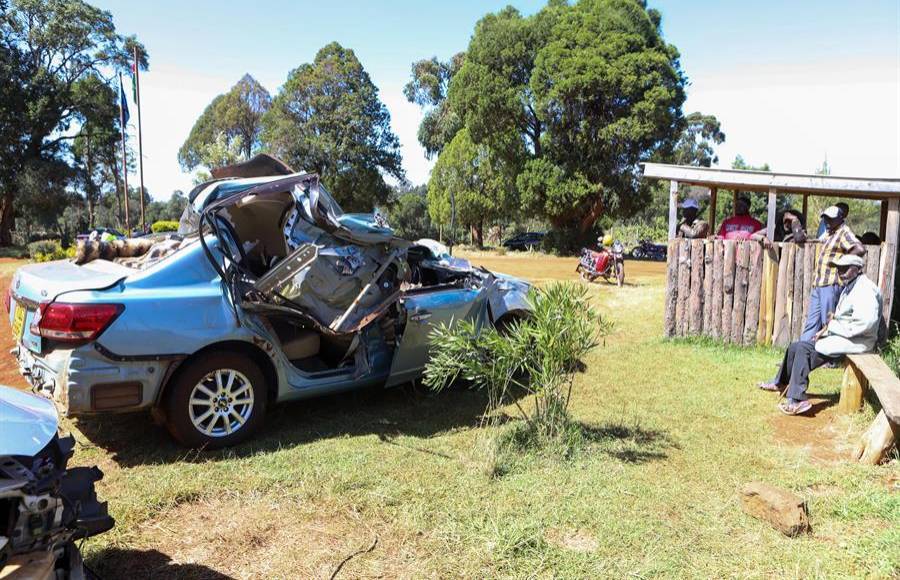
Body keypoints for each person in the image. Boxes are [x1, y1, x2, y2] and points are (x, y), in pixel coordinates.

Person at [757, 254, 881, 415]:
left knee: (804, 349)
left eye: (845, 268)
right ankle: (781, 383)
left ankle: (797, 401)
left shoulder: (865, 289)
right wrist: (827, 330)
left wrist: (832, 330)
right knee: (795, 347)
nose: (840, 272)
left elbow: (866, 324)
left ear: (857, 269)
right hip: (845, 338)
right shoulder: (851, 286)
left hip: (857, 342)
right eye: (838, 268)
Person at [801, 205, 865, 341]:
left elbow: (860, 248)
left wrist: (843, 261)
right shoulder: (831, 233)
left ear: (840, 219)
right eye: (825, 218)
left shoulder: (843, 232)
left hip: (831, 284)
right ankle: (800, 356)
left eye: (830, 219)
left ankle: (829, 360)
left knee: (829, 324)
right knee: (811, 324)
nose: (827, 221)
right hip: (819, 284)